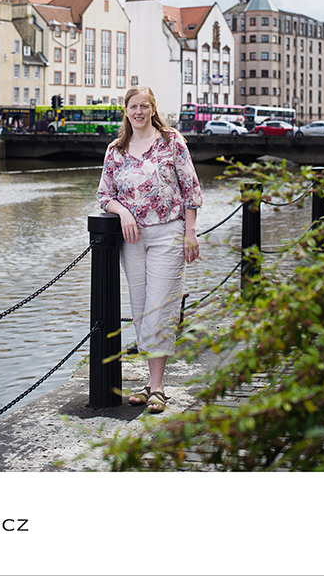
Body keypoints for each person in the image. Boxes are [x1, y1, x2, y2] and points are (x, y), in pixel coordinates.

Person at [96, 85, 202, 414]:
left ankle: (157, 387)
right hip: (132, 240)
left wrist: (190, 231)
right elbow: (104, 195)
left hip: (168, 234)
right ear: (125, 111)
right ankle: (148, 380)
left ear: (152, 109)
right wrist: (123, 211)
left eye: (144, 106)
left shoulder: (171, 141)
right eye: (133, 107)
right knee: (142, 309)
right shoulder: (116, 150)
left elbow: (191, 189)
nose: (139, 112)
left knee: (160, 308)